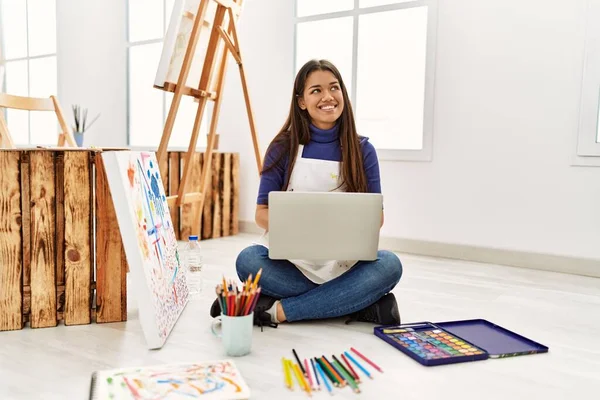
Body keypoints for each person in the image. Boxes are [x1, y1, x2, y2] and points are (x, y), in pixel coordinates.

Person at [210, 59, 403, 328]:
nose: (328, 97)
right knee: (248, 260)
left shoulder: (363, 150)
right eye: (316, 90)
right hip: (293, 265)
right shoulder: (281, 148)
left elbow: (376, 218)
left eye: (334, 88)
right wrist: (302, 226)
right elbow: (261, 214)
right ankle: (362, 303)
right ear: (301, 101)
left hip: (345, 266)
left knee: (390, 265)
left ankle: (274, 310)